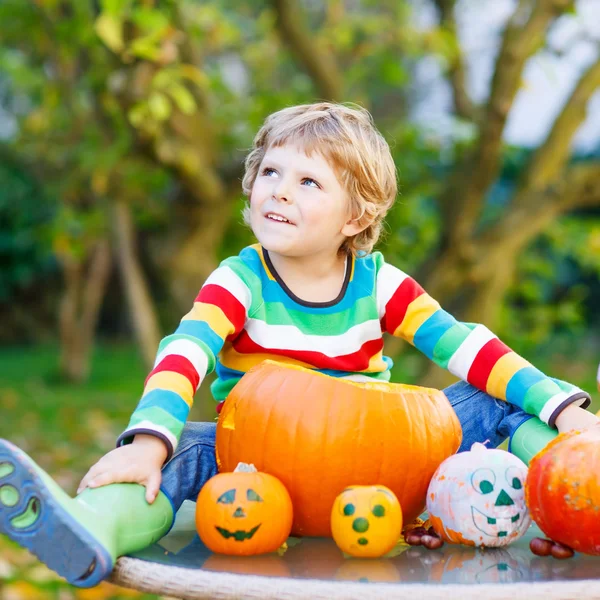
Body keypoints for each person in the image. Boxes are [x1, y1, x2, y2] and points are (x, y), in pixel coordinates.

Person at [0, 102, 597, 588]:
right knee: (178, 454)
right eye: (270, 173)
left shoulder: (378, 282)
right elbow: (187, 351)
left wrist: (565, 409)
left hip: (381, 463)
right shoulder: (241, 279)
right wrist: (148, 439)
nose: (280, 192)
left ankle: (582, 486)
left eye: (308, 181)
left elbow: (466, 346)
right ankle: (90, 529)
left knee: (495, 397)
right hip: (262, 463)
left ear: (355, 217)